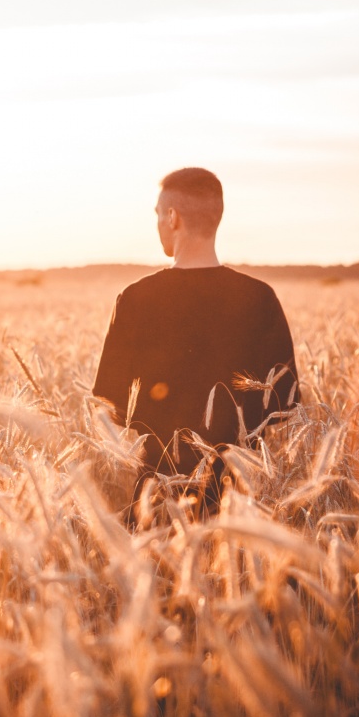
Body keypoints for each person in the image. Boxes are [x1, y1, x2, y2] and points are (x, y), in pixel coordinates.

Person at [93, 167, 299, 518]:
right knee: (238, 577)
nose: (158, 223)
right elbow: (282, 406)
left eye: (159, 214)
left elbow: (112, 407)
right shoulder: (260, 298)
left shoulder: (135, 299)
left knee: (153, 575)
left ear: (172, 217)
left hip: (155, 502)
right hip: (239, 507)